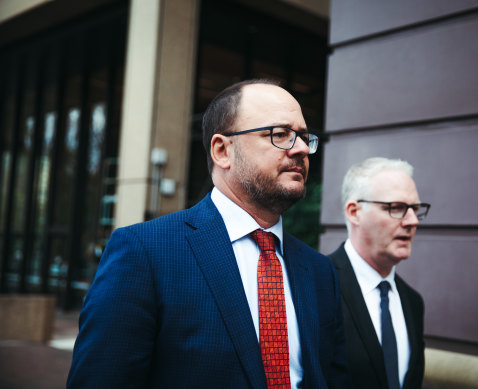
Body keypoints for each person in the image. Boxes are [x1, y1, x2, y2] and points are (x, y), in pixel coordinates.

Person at [67, 79, 347, 388]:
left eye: (305, 137)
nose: (302, 148)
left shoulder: (320, 271)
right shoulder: (145, 253)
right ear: (222, 150)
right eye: (280, 134)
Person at [328, 157, 428, 389]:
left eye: (414, 209)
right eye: (396, 208)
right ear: (354, 212)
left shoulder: (412, 302)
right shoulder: (316, 285)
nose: (412, 221)